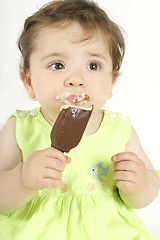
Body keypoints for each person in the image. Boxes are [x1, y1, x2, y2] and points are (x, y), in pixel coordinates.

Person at [0, 0, 159, 239]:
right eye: (58, 65)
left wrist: (139, 184)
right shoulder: (19, 127)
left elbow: (148, 194)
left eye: (93, 65)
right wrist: (22, 178)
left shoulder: (120, 129)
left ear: (111, 83)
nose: (76, 79)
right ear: (29, 81)